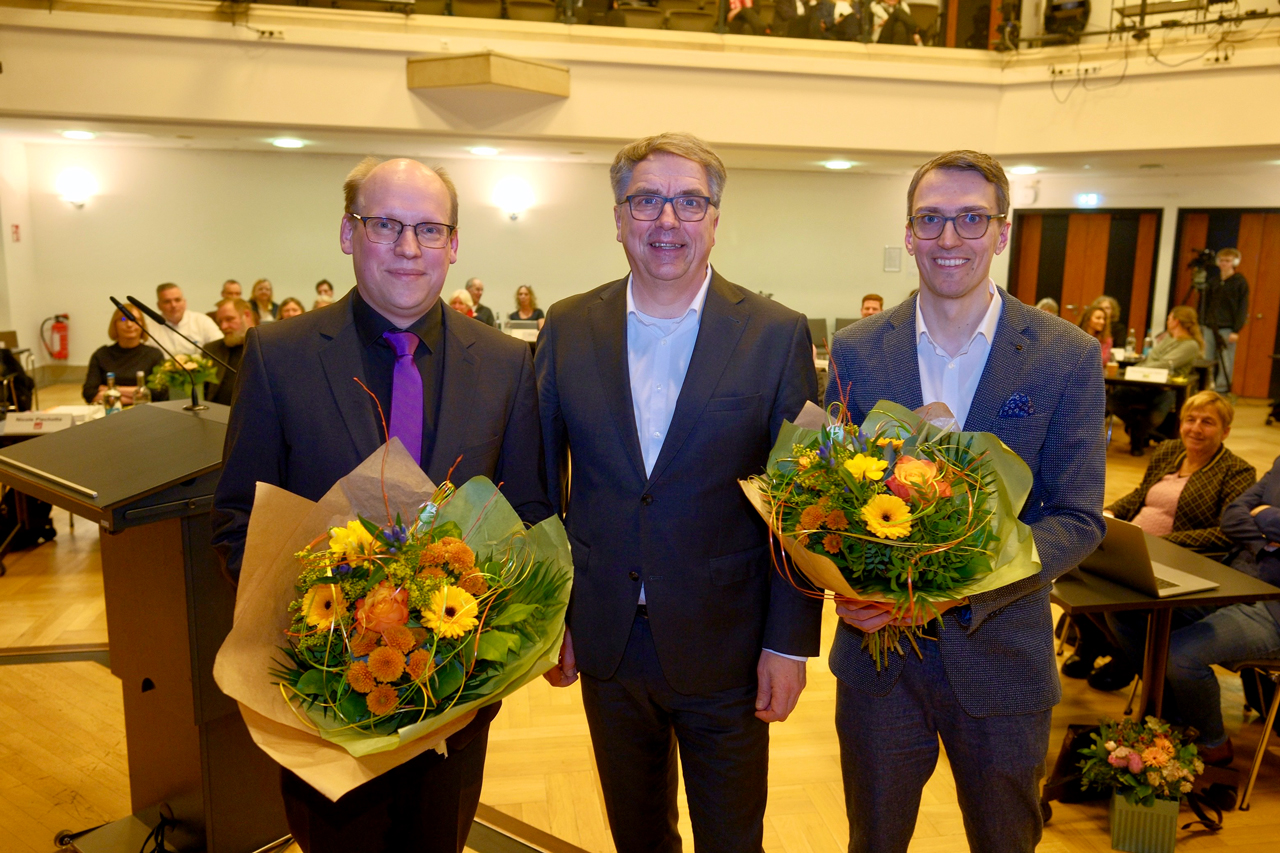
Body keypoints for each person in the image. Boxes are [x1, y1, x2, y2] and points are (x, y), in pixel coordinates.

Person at [212, 156, 550, 853]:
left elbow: (532, 514)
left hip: (456, 696)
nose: (408, 247)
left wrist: (483, 654)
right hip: (321, 699)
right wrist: (315, 642)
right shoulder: (279, 355)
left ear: (454, 244)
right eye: (385, 224)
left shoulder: (507, 363)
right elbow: (235, 519)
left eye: (429, 228)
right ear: (347, 232)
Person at [536, 132, 822, 853]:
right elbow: (540, 483)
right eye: (647, 200)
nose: (668, 221)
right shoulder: (568, 326)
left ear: (715, 217)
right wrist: (546, 615)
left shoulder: (774, 333)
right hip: (605, 636)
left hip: (729, 641)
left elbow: (800, 502)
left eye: (689, 201)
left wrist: (789, 643)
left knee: (732, 837)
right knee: (637, 833)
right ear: (619, 214)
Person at [825, 150, 1105, 853]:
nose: (950, 238)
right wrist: (845, 583)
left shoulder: (1064, 355)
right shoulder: (856, 350)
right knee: (874, 840)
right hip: (878, 661)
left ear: (1001, 232)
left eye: (971, 219)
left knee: (1005, 841)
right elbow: (828, 494)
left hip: (1002, 658)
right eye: (932, 220)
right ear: (911, 232)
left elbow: (1077, 517)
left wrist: (964, 588)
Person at [1100, 393, 1259, 734]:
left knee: (1116, 603)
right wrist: (1109, 515)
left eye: (1208, 422)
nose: (1196, 429)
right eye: (1191, 419)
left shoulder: (1237, 472)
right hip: (1135, 547)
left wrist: (1161, 543)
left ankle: (1162, 695)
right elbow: (1140, 495)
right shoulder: (1169, 451)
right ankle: (1143, 676)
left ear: (1226, 431)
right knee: (1092, 588)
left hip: (1183, 562)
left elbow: (1225, 534)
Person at [1108, 306, 1203, 456]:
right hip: (1144, 384)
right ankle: (1137, 430)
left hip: (1166, 389)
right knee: (1112, 401)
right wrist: (1138, 369)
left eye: (1169, 318)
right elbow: (1152, 359)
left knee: (1156, 415)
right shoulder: (1168, 339)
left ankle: (1137, 435)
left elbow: (1165, 363)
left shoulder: (1191, 345)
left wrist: (1138, 369)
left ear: (1176, 321)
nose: (1167, 322)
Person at [83, 307, 166, 404]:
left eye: (134, 319)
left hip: (146, 413)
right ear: (114, 325)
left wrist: (110, 390)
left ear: (142, 324)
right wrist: (140, 397)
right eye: (123, 319)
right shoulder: (101, 355)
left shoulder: (154, 355)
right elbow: (89, 393)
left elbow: (160, 393)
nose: (129, 324)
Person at [1200, 247, 1250, 394]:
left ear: (1234, 262)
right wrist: (1203, 323)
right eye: (1221, 260)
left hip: (1227, 328)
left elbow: (1242, 307)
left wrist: (1236, 330)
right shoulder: (1213, 281)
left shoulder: (1240, 282)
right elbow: (1205, 304)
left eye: (1227, 261)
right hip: (1209, 326)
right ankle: (1206, 387)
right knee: (1207, 359)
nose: (1224, 263)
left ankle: (1222, 390)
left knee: (1225, 361)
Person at [147, 282, 223, 356]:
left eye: (177, 300)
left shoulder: (202, 321)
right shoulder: (148, 328)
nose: (173, 305)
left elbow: (220, 346)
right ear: (158, 305)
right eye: (167, 301)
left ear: (184, 302)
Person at [205, 297, 255, 406]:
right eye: (220, 321)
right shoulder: (211, 350)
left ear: (247, 315)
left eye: (229, 319)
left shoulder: (266, 346)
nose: (223, 327)